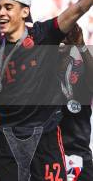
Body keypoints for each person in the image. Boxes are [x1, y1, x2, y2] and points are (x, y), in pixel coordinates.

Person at [0, 0, 93, 180]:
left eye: (8, 7)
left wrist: (80, 46)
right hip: (6, 142)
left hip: (45, 139)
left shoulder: (44, 35)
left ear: (25, 11)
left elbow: (80, 7)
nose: (0, 12)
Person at [57, 25, 93, 181]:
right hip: (48, 153)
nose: (63, 39)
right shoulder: (40, 68)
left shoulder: (82, 69)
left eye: (67, 35)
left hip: (78, 151)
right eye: (57, 35)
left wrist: (82, 46)